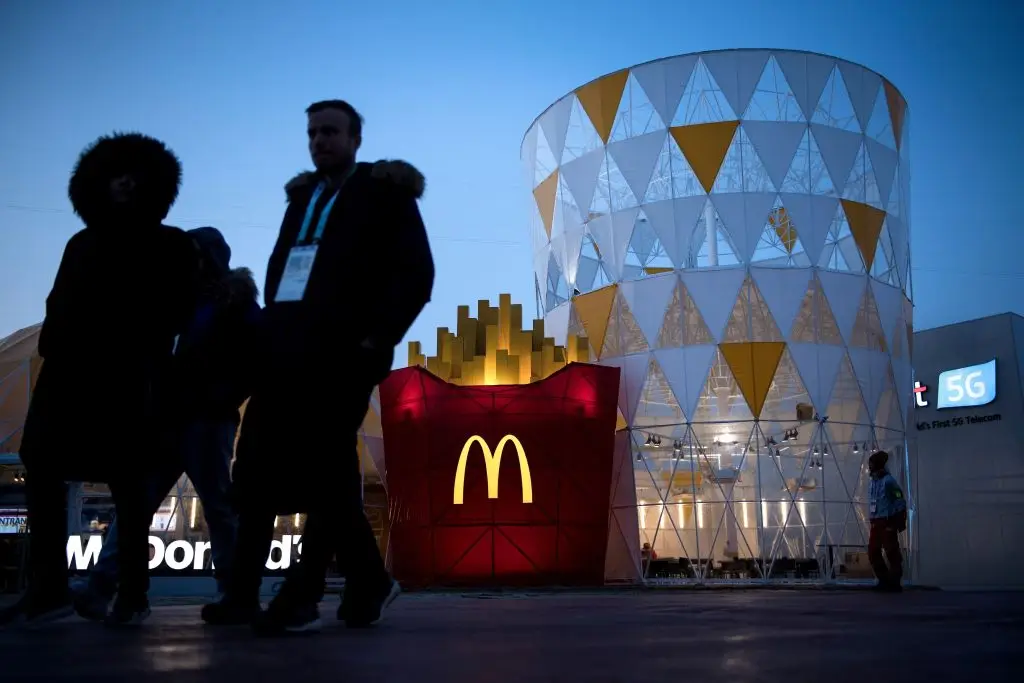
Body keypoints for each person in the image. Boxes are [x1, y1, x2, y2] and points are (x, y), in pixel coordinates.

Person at [201, 99, 434, 636]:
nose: (318, 141)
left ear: (355, 137)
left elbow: (415, 272)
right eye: (311, 133)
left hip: (342, 357)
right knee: (255, 467)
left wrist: (376, 340)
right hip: (285, 353)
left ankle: (304, 593)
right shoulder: (303, 196)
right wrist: (268, 339)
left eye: (329, 131)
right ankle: (249, 593)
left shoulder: (384, 191)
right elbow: (283, 269)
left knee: (325, 472)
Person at [1, 133, 201, 627]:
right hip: (69, 379)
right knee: (43, 467)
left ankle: (133, 593)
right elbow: (58, 308)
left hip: (130, 381)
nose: (125, 186)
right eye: (116, 177)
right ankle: (48, 588)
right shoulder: (83, 242)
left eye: (135, 178)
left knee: (130, 484)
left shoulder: (171, 244)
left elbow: (178, 312)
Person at [71, 227, 260, 621]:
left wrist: (221, 397)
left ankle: (234, 590)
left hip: (206, 418)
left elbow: (253, 360)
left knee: (214, 505)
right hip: (172, 418)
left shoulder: (232, 304)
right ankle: (102, 585)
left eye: (194, 253)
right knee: (140, 504)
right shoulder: (182, 301)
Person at [867, 450, 907, 592]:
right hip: (875, 523)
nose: (869, 467)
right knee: (873, 552)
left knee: (892, 552)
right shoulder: (872, 482)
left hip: (886, 522)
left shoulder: (889, 481)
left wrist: (896, 523)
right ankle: (883, 580)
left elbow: (899, 501)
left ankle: (895, 582)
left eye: (871, 464)